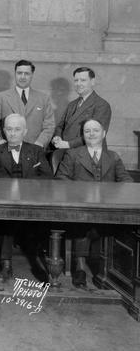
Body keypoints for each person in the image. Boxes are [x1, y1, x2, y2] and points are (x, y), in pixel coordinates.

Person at [56, 118, 132, 288]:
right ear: (83, 135)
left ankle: (108, 272)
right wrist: (78, 194)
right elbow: (61, 179)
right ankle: (80, 267)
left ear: (104, 133)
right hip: (80, 207)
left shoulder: (113, 157)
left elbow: (126, 181)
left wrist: (116, 195)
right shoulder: (73, 154)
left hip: (107, 209)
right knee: (83, 224)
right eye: (87, 131)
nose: (91, 134)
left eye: (95, 130)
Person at [0, 114, 53, 282]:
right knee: (7, 221)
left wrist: (28, 189)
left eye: (17, 129)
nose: (12, 133)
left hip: (32, 203)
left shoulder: (36, 151)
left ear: (24, 131)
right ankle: (5, 264)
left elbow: (48, 178)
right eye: (9, 129)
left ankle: (41, 265)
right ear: (4, 131)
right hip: (4, 203)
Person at [0, 60, 54, 148]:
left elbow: (49, 126)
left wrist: (40, 143)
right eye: (19, 73)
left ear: (32, 75)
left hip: (35, 150)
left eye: (26, 73)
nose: (22, 77)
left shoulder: (44, 98)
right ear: (15, 74)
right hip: (7, 150)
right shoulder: (1, 97)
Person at [51, 67, 111, 152]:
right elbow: (61, 126)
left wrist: (68, 144)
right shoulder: (72, 105)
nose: (78, 84)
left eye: (83, 80)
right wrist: (57, 137)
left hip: (88, 157)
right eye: (76, 80)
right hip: (68, 154)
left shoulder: (102, 105)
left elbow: (95, 135)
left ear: (92, 82)